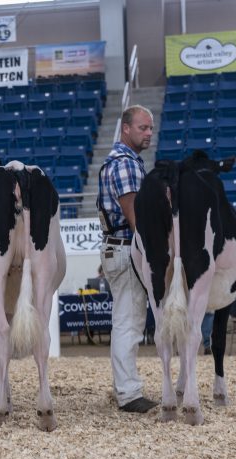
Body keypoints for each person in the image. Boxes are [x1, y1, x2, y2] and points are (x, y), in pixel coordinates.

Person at [96, 105, 158, 414]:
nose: (149, 133)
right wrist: (150, 252)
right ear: (126, 129)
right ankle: (129, 394)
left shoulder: (122, 161)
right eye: (143, 128)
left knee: (126, 319)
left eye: (151, 128)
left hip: (117, 247)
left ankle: (124, 386)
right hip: (126, 247)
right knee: (129, 322)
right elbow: (136, 218)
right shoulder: (125, 164)